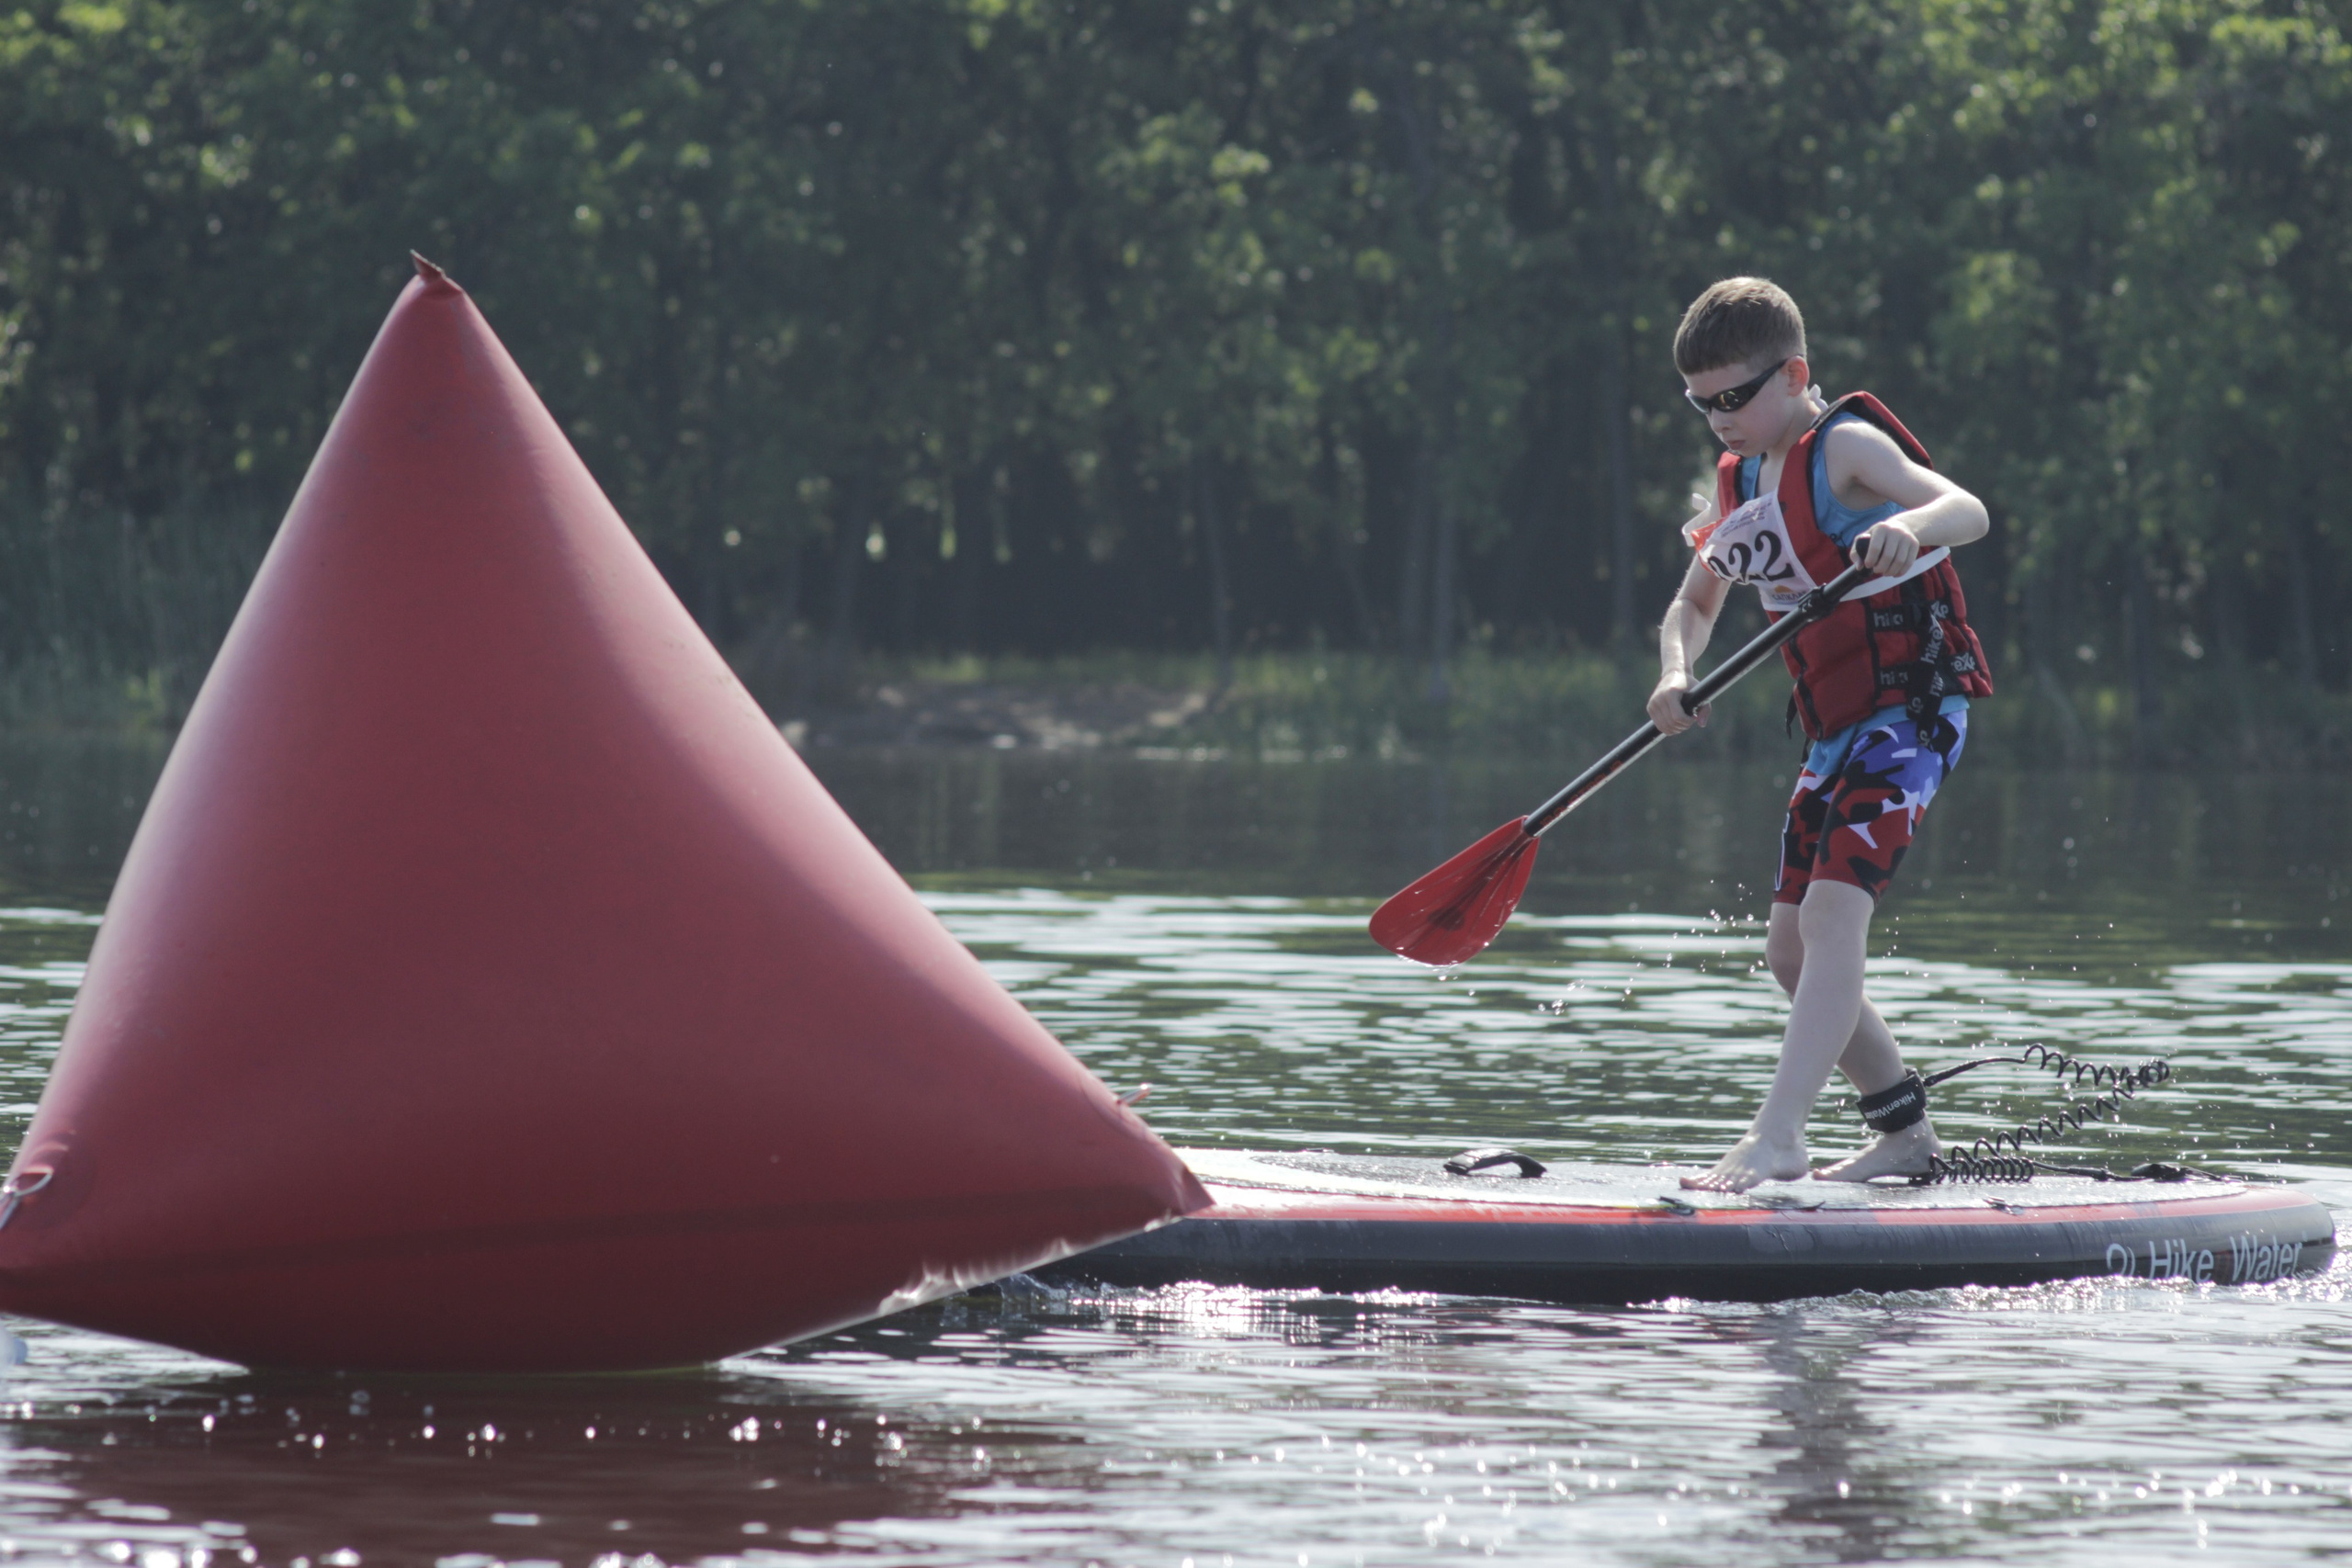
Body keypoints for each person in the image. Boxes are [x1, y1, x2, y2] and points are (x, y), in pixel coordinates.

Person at [1648, 276, 1994, 1192]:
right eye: (1700, 402)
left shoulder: (1844, 447)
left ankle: (1778, 1136)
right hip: (1835, 734)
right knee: (1790, 953)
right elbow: (1693, 606)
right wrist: (1675, 674)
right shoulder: (1736, 485)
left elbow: (1965, 509)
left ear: (1794, 374)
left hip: (1914, 712)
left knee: (1835, 915)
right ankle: (1905, 1135)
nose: (1719, 417)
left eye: (1733, 396)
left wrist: (1907, 527)